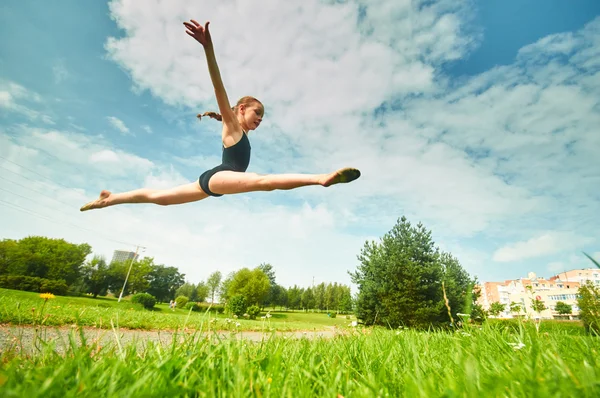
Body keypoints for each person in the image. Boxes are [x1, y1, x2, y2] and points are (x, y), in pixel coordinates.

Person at [80, 19, 360, 212]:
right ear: (241, 109)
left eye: (262, 116)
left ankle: (110, 199)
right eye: (257, 113)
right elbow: (218, 85)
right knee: (266, 182)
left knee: (159, 198)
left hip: (211, 181)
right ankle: (321, 177)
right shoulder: (232, 126)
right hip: (219, 178)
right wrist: (207, 47)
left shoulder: (241, 134)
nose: (260, 119)